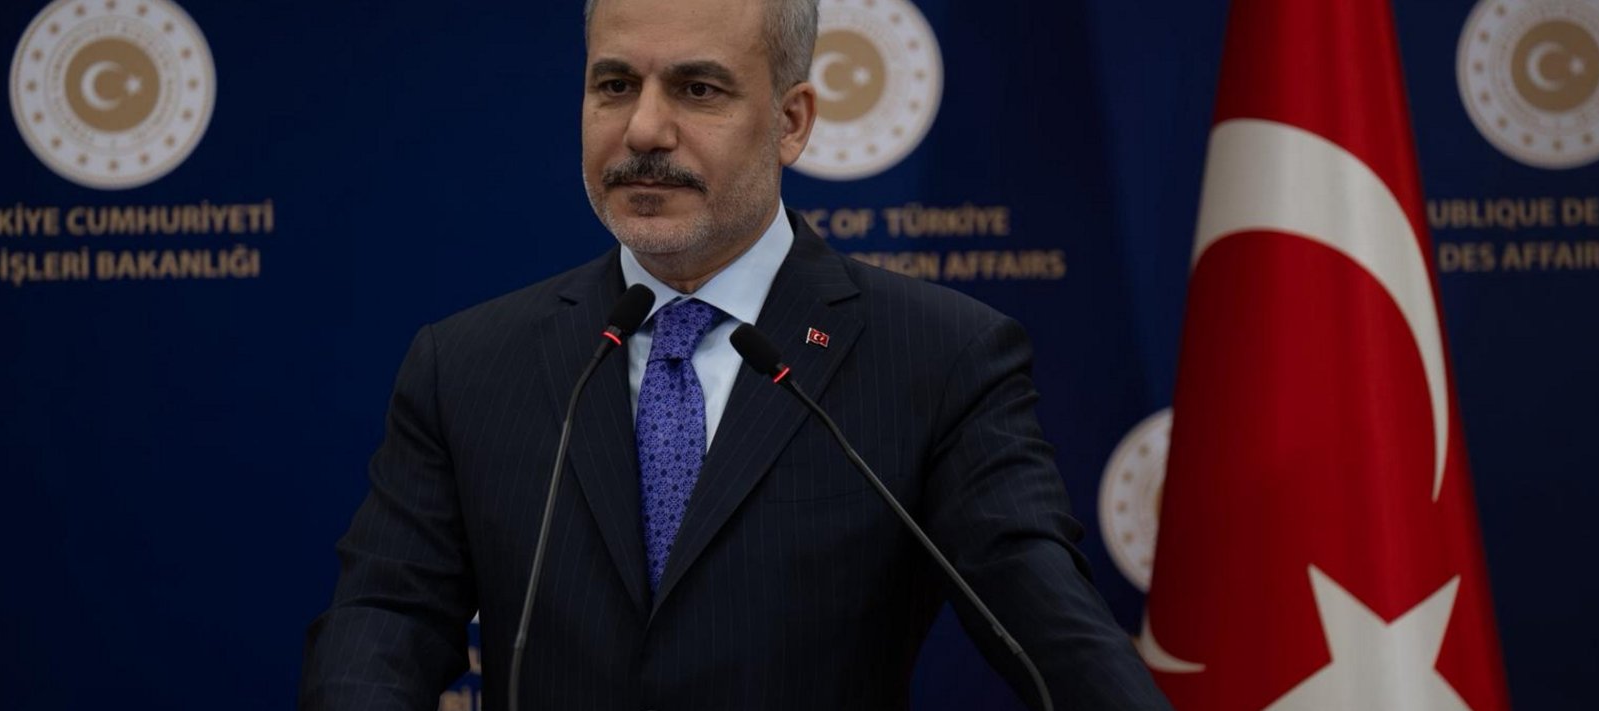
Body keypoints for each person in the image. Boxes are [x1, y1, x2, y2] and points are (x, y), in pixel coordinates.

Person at [301, 0, 1170, 708]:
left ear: (791, 122)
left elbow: (1047, 628)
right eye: (614, 84)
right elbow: (383, 620)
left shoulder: (937, 357)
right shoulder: (468, 364)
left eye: (697, 89)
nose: (644, 128)